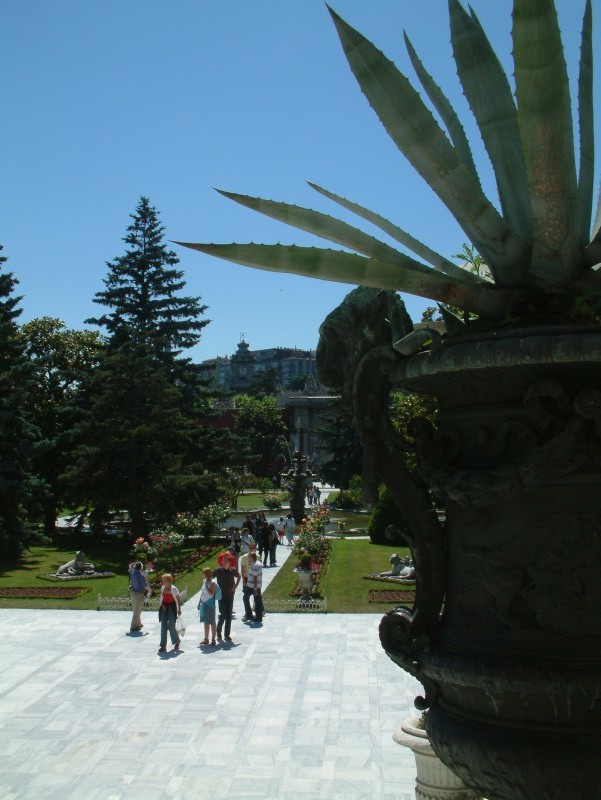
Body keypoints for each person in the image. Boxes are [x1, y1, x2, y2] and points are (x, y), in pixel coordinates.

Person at [213, 555, 240, 642]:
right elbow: (210, 577)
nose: (224, 562)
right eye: (223, 561)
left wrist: (235, 586)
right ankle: (218, 631)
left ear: (229, 563)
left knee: (229, 615)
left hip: (230, 595)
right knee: (223, 614)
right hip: (221, 596)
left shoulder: (232, 571)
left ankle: (227, 634)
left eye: (225, 561)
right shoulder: (218, 570)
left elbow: (239, 576)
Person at [158, 573, 182, 653]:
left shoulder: (174, 589)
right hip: (164, 608)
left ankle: (176, 641)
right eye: (163, 580)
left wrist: (179, 609)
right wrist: (161, 606)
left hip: (172, 608)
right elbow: (162, 597)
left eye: (165, 581)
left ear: (169, 581)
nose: (163, 582)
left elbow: (178, 599)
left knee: (172, 626)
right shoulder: (163, 587)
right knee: (163, 626)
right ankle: (163, 646)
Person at [128, 560, 150, 632]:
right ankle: (133, 626)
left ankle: (138, 624)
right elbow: (145, 585)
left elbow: (130, 566)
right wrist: (150, 590)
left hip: (133, 593)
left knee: (135, 609)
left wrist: (133, 564)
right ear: (141, 568)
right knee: (138, 610)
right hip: (139, 594)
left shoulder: (132, 572)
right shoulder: (141, 576)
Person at [198, 567, 217, 646]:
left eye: (204, 573)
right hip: (203, 603)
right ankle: (206, 639)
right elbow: (202, 593)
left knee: (212, 622)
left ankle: (213, 639)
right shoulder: (204, 581)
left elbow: (211, 594)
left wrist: (206, 586)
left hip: (210, 604)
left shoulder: (213, 582)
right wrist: (199, 602)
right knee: (206, 622)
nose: (202, 574)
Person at [239, 542, 257, 622]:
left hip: (256, 579)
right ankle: (248, 613)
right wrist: (243, 581)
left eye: (253, 548)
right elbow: (242, 570)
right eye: (250, 548)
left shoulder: (258, 557)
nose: (251, 550)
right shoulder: (244, 557)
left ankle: (258, 612)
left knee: (256, 596)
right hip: (247, 578)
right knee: (246, 597)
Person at [246, 552, 264, 622]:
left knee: (255, 600)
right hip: (251, 585)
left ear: (252, 557)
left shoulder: (255, 565)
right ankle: (257, 616)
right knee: (257, 600)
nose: (248, 559)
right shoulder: (255, 564)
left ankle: (253, 616)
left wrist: (255, 588)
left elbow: (255, 577)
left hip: (253, 586)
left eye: (249, 557)